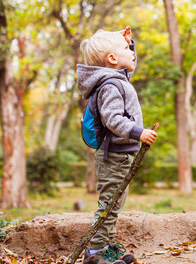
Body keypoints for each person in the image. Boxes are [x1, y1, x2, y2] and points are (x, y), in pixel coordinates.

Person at [76, 26, 158, 264]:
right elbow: (113, 120)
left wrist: (128, 43)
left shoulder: (116, 80)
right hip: (113, 157)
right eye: (125, 50)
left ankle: (108, 249)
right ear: (112, 59)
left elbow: (128, 68)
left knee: (115, 205)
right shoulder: (111, 85)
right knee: (109, 206)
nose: (132, 54)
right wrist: (138, 132)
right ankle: (95, 252)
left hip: (120, 157)